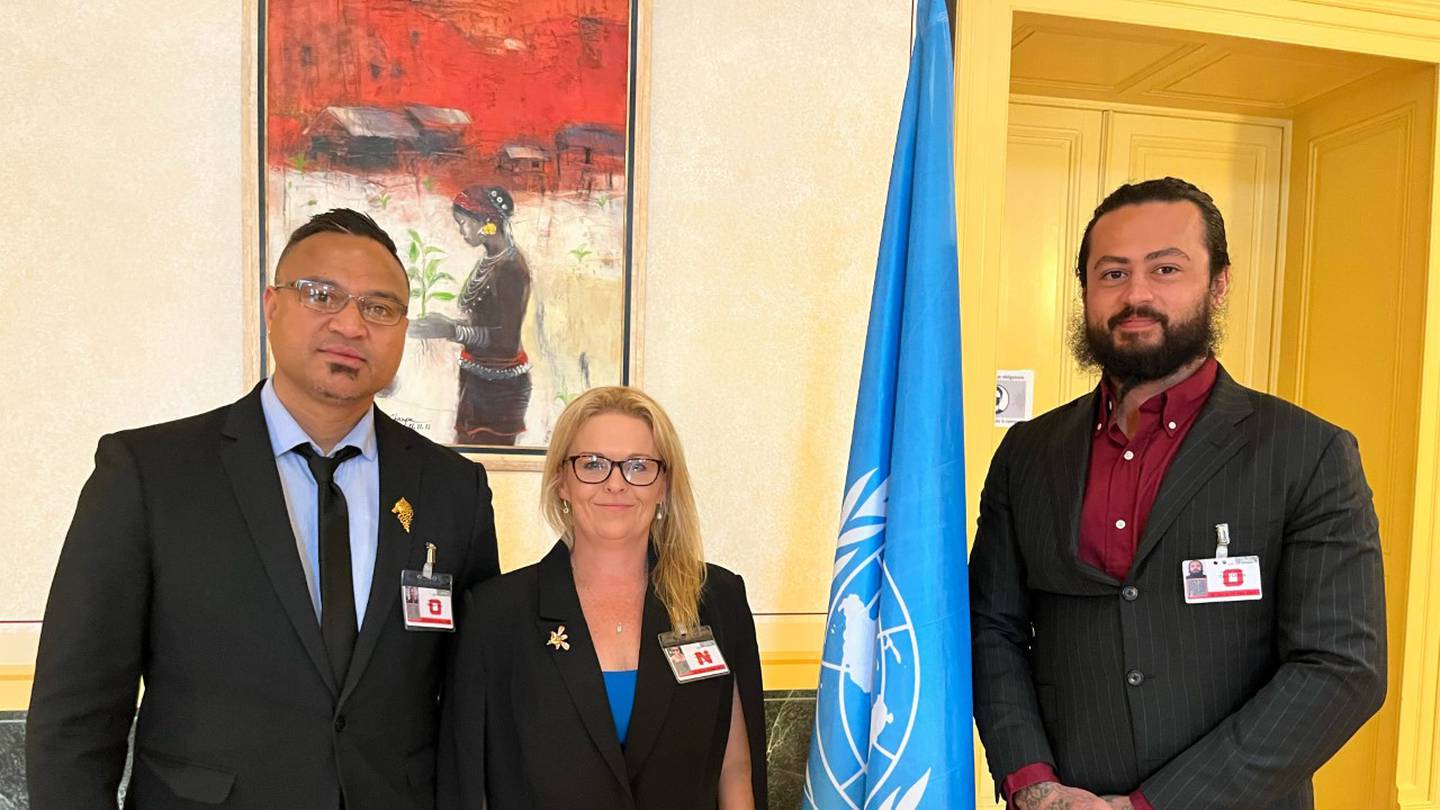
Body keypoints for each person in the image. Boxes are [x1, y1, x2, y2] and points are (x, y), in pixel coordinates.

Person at [26, 209, 500, 809]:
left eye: (379, 308)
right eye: (322, 295)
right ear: (272, 306)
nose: (351, 325)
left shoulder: (453, 489)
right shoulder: (150, 474)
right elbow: (75, 713)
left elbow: (471, 700)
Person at [969, 177, 1386, 810]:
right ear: (1084, 290)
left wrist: (1150, 806)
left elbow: (1341, 668)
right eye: (1112, 273)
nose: (1136, 295)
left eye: (1166, 268)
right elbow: (992, 630)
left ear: (1218, 283)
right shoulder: (1028, 454)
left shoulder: (1309, 453)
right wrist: (1034, 785)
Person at [440, 386, 766, 809]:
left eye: (638, 465)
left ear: (663, 485)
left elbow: (735, 768)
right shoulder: (495, 616)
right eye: (592, 464)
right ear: (561, 481)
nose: (616, 483)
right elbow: (470, 783)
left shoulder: (717, 600)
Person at [408, 184, 533, 446]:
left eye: (463, 223)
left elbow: (505, 341)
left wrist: (450, 330)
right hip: (478, 381)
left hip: (500, 389)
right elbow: (484, 321)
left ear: (486, 223)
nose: (461, 231)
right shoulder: (490, 259)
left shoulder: (511, 269)